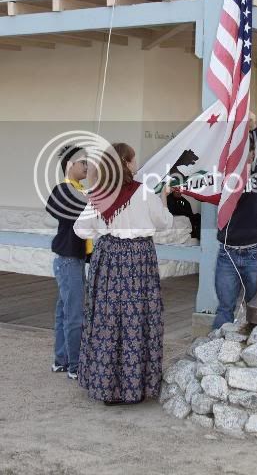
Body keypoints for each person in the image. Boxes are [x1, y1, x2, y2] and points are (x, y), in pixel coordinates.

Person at [74, 142, 173, 405]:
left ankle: (106, 386)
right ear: (127, 164)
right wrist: (164, 199)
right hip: (138, 261)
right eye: (133, 160)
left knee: (107, 320)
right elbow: (165, 222)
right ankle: (134, 387)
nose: (136, 164)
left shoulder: (99, 194)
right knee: (137, 320)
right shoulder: (143, 193)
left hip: (108, 260)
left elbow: (81, 230)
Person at [46, 145, 92, 380]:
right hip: (68, 261)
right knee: (74, 314)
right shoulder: (64, 190)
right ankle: (75, 365)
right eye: (83, 162)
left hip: (73, 260)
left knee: (65, 312)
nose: (87, 166)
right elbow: (69, 212)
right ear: (70, 165)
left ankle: (62, 360)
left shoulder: (80, 190)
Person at [213, 114, 257, 329]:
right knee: (225, 307)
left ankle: (255, 349)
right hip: (227, 251)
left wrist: (254, 129)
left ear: (253, 154)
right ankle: (216, 352)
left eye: (247, 153)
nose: (244, 157)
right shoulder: (224, 175)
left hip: (253, 251)